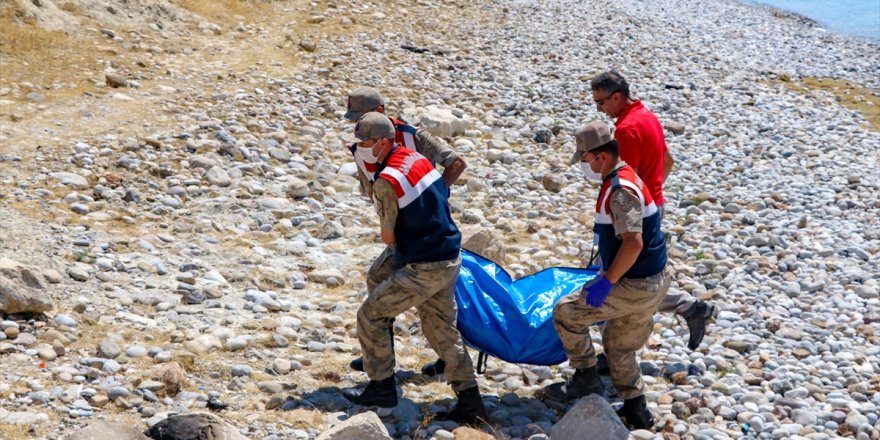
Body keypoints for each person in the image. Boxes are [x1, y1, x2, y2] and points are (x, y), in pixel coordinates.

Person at [341, 113, 486, 424]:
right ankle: (471, 399)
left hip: (423, 264)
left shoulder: (385, 180)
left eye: (364, 144)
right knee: (441, 330)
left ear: (381, 143)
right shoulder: (414, 157)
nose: (360, 148)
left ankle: (382, 387)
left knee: (371, 314)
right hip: (447, 254)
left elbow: (387, 236)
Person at [542, 121, 670, 430]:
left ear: (601, 156)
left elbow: (633, 241)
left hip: (634, 283)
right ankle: (637, 411)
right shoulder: (628, 177)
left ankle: (585, 376)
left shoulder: (620, 191)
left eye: (585, 159)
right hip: (654, 280)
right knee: (619, 345)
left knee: (566, 312)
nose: (584, 165)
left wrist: (607, 282)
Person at [344, 86, 464, 377]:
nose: (356, 127)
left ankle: (438, 361)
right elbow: (370, 184)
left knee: (432, 310)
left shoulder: (414, 137)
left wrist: (436, 194)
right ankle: (379, 353)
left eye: (361, 119)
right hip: (402, 227)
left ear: (381, 115)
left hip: (423, 230)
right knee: (377, 279)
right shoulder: (363, 143)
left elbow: (456, 163)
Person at [590, 71, 715, 350]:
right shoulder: (647, 115)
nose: (599, 109)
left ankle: (609, 351)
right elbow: (667, 161)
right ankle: (687, 308)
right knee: (636, 276)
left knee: (619, 279)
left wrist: (630, 214)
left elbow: (625, 180)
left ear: (618, 97)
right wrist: (653, 198)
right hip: (654, 205)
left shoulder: (625, 130)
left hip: (636, 215)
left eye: (601, 102)